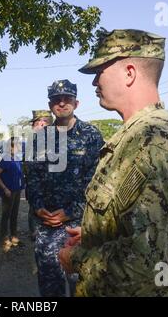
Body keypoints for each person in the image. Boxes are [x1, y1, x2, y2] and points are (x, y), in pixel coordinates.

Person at [59, 29, 168, 296]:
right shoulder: (140, 135)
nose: (94, 82)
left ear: (129, 73)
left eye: (100, 71)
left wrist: (77, 259)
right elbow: (137, 223)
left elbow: (151, 263)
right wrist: (94, 234)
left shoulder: (155, 140)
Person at [27, 79, 104, 297]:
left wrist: (70, 212)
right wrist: (38, 206)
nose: (61, 103)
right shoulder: (40, 138)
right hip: (46, 223)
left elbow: (96, 182)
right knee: (50, 285)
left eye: (67, 98)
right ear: (50, 104)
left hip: (78, 227)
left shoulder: (91, 135)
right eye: (56, 99)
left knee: (82, 285)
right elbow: (32, 176)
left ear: (76, 103)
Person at [24, 110, 53, 240]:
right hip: (35, 195)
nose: (40, 126)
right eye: (36, 123)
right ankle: (34, 234)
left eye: (44, 122)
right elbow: (29, 172)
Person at [0, 137, 25, 252]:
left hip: (16, 191)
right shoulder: (6, 159)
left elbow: (19, 175)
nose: (20, 147)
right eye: (17, 145)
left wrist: (21, 188)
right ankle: (4, 237)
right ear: (11, 147)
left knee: (14, 214)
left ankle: (14, 236)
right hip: (8, 192)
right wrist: (5, 188)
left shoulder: (16, 159)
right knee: (6, 214)